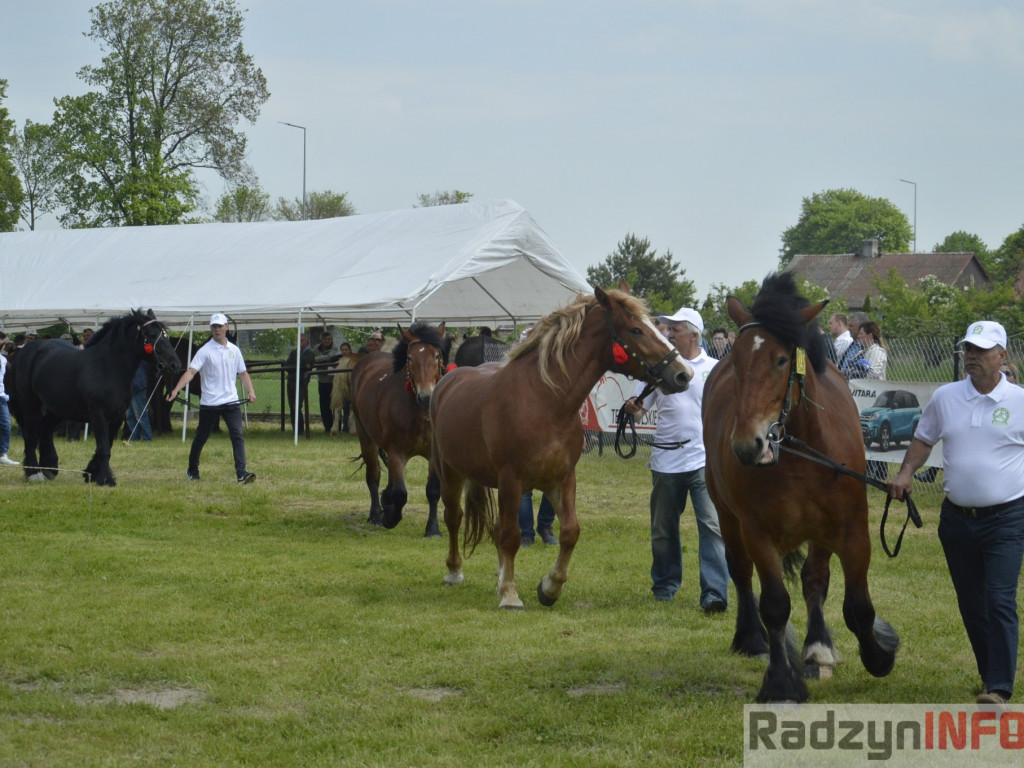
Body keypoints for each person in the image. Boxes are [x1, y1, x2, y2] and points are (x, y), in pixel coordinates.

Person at [888, 320, 1024, 707]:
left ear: (1002, 356)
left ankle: (999, 687)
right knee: (971, 603)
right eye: (968, 349)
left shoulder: (1020, 401)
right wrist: (904, 473)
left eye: (981, 351)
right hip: (957, 520)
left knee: (999, 599)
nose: (972, 357)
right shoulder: (946, 397)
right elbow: (923, 438)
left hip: (1008, 520)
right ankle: (989, 674)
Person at [623, 307, 729, 612]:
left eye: (675, 330)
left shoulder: (714, 368)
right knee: (663, 528)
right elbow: (641, 407)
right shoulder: (661, 368)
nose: (668, 334)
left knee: (711, 526)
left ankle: (714, 593)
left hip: (703, 460)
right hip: (666, 459)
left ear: (693, 334)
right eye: (668, 330)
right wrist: (633, 407)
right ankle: (665, 586)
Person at [167, 313, 257, 484]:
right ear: (211, 329)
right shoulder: (205, 351)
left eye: (220, 326)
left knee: (237, 435)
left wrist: (251, 391)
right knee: (201, 438)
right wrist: (175, 390)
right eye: (214, 327)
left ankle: (241, 473)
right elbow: (191, 372)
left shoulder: (234, 350)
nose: (217, 329)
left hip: (231, 402)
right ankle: (192, 470)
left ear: (226, 327)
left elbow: (243, 373)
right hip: (210, 403)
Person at [285, 333, 315, 431]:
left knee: (297, 406)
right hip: (291, 382)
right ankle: (295, 428)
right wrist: (300, 364)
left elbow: (308, 363)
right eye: (299, 341)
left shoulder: (310, 353)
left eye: (302, 340)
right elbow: (287, 365)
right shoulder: (293, 353)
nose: (300, 343)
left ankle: (300, 429)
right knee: (291, 406)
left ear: (307, 341)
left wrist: (301, 363)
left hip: (302, 383)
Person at [312, 331, 340, 433]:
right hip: (322, 381)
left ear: (332, 340)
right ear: (322, 340)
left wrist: (318, 359)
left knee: (336, 405)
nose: (327, 341)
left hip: (333, 381)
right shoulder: (316, 348)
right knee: (324, 405)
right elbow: (312, 358)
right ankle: (327, 427)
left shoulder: (335, 348)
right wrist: (324, 359)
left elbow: (331, 357)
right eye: (325, 339)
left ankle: (337, 426)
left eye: (329, 339)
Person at [123, 362, 152, 443]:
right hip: (129, 387)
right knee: (130, 415)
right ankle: (134, 437)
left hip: (137, 386)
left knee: (140, 415)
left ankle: (147, 438)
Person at [0, 350, 20, 466]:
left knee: (6, 426)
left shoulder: (3, 360)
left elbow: (10, 377)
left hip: (1, 398)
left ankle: (3, 454)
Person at [838, 311, 869, 380]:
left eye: (851, 326)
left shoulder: (868, 348)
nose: (849, 329)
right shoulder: (851, 345)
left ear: (861, 327)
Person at [338, 341, 353, 434]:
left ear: (350, 350)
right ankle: (345, 427)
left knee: (352, 408)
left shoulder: (352, 361)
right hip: (342, 387)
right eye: (342, 350)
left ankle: (352, 427)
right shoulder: (339, 360)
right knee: (344, 407)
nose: (344, 351)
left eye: (346, 349)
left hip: (351, 387)